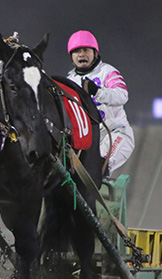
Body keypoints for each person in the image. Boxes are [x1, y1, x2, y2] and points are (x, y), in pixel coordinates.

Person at [66, 30, 134, 178]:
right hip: (86, 142)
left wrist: (97, 92)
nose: (81, 54)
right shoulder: (70, 80)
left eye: (86, 50)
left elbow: (122, 95)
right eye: (76, 51)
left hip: (115, 134)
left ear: (95, 53)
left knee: (98, 168)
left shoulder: (108, 71)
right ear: (71, 56)